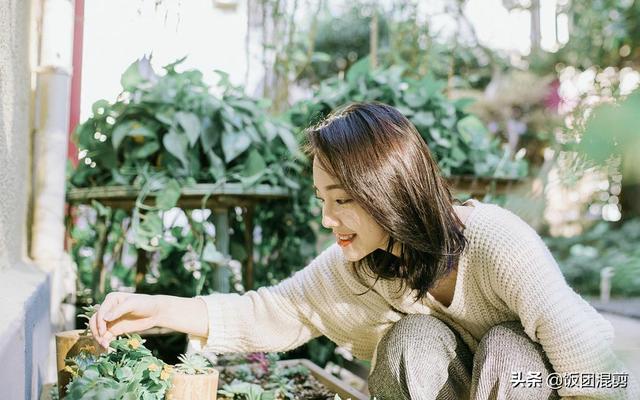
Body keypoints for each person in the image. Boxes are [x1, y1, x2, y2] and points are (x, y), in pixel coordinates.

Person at [90, 102, 639, 399]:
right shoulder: (357, 267)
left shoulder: (497, 242)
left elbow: (599, 369)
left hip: (530, 389)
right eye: (321, 199)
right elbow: (271, 310)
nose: (327, 218)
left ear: (387, 190)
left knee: (509, 350)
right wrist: (158, 310)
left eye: (342, 199)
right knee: (412, 340)